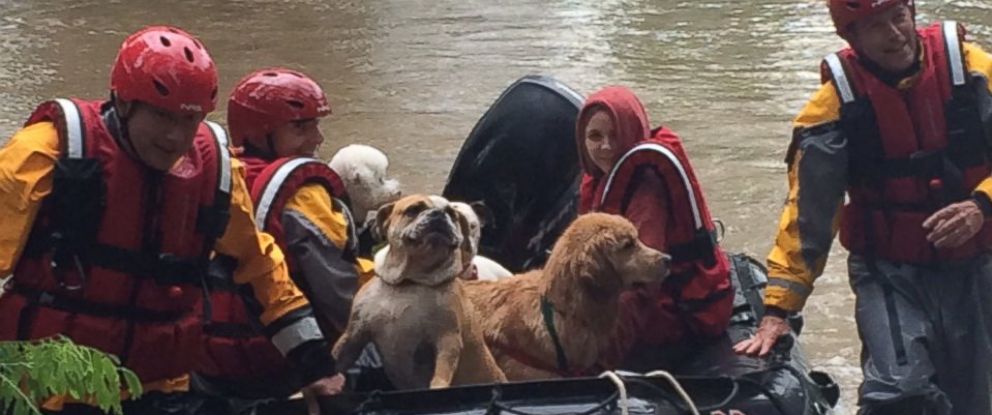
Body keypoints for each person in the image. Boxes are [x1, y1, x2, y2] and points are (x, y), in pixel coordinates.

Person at [0, 26, 342, 413]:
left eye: (189, 120)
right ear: (124, 103)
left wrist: (316, 365)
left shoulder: (215, 172)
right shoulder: (47, 152)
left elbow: (259, 267)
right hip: (48, 393)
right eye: (162, 116)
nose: (175, 137)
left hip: (158, 390)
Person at [733, 1, 992, 413]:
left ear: (912, 13)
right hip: (889, 273)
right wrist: (779, 309)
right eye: (875, 26)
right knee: (897, 392)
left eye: (898, 18)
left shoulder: (972, 68)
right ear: (851, 37)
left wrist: (982, 205)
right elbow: (807, 216)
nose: (894, 34)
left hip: (975, 266)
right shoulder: (831, 108)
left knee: (976, 402)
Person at [192, 68, 374, 405]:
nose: (317, 138)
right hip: (285, 363)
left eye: (316, 125)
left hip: (206, 362)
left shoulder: (213, 174)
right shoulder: (304, 196)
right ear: (261, 133)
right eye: (301, 127)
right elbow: (341, 294)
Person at [575, 85, 736, 371]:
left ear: (632, 132)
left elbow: (644, 282)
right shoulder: (602, 177)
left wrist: (599, 357)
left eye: (616, 135)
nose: (606, 147)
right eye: (595, 136)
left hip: (674, 313)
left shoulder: (646, 189)